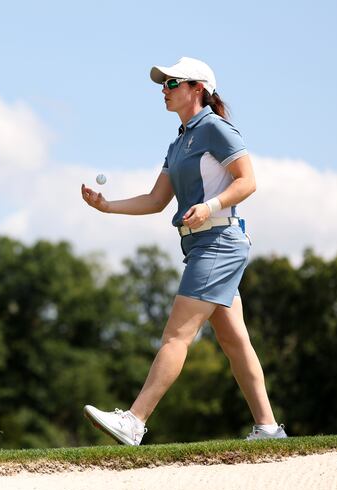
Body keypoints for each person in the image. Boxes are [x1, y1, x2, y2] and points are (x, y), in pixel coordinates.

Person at [80, 57, 286, 445]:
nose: (164, 89)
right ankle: (268, 428)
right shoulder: (178, 142)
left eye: (173, 83)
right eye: (164, 83)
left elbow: (248, 181)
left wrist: (210, 206)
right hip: (201, 245)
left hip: (218, 243)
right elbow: (156, 200)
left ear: (197, 88)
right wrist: (107, 206)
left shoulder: (215, 129)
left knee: (176, 335)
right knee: (234, 340)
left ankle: (135, 421)